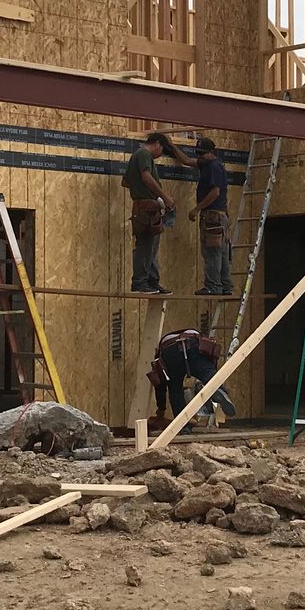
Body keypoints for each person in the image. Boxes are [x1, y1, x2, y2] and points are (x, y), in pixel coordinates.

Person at [121, 130, 179, 294]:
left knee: (151, 247)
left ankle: (152, 281)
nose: (160, 155)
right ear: (157, 144)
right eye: (162, 151)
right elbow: (146, 177)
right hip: (146, 208)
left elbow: (125, 182)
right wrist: (164, 197)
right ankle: (140, 282)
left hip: (147, 207)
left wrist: (144, 191)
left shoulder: (139, 156)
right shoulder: (144, 154)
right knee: (145, 246)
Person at [148, 326, 237, 428]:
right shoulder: (196, 335)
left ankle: (183, 426)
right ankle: (219, 389)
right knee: (207, 373)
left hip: (170, 349)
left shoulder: (159, 354)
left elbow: (160, 385)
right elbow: (211, 360)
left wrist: (161, 410)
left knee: (175, 390)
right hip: (193, 341)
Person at [188, 136, 233, 296]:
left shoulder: (213, 167)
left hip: (213, 217)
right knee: (221, 252)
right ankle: (226, 286)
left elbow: (215, 192)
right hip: (219, 217)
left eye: (203, 154)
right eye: (198, 153)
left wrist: (196, 209)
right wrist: (172, 148)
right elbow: (189, 162)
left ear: (212, 152)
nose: (200, 157)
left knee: (212, 252)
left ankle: (213, 286)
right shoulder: (209, 164)